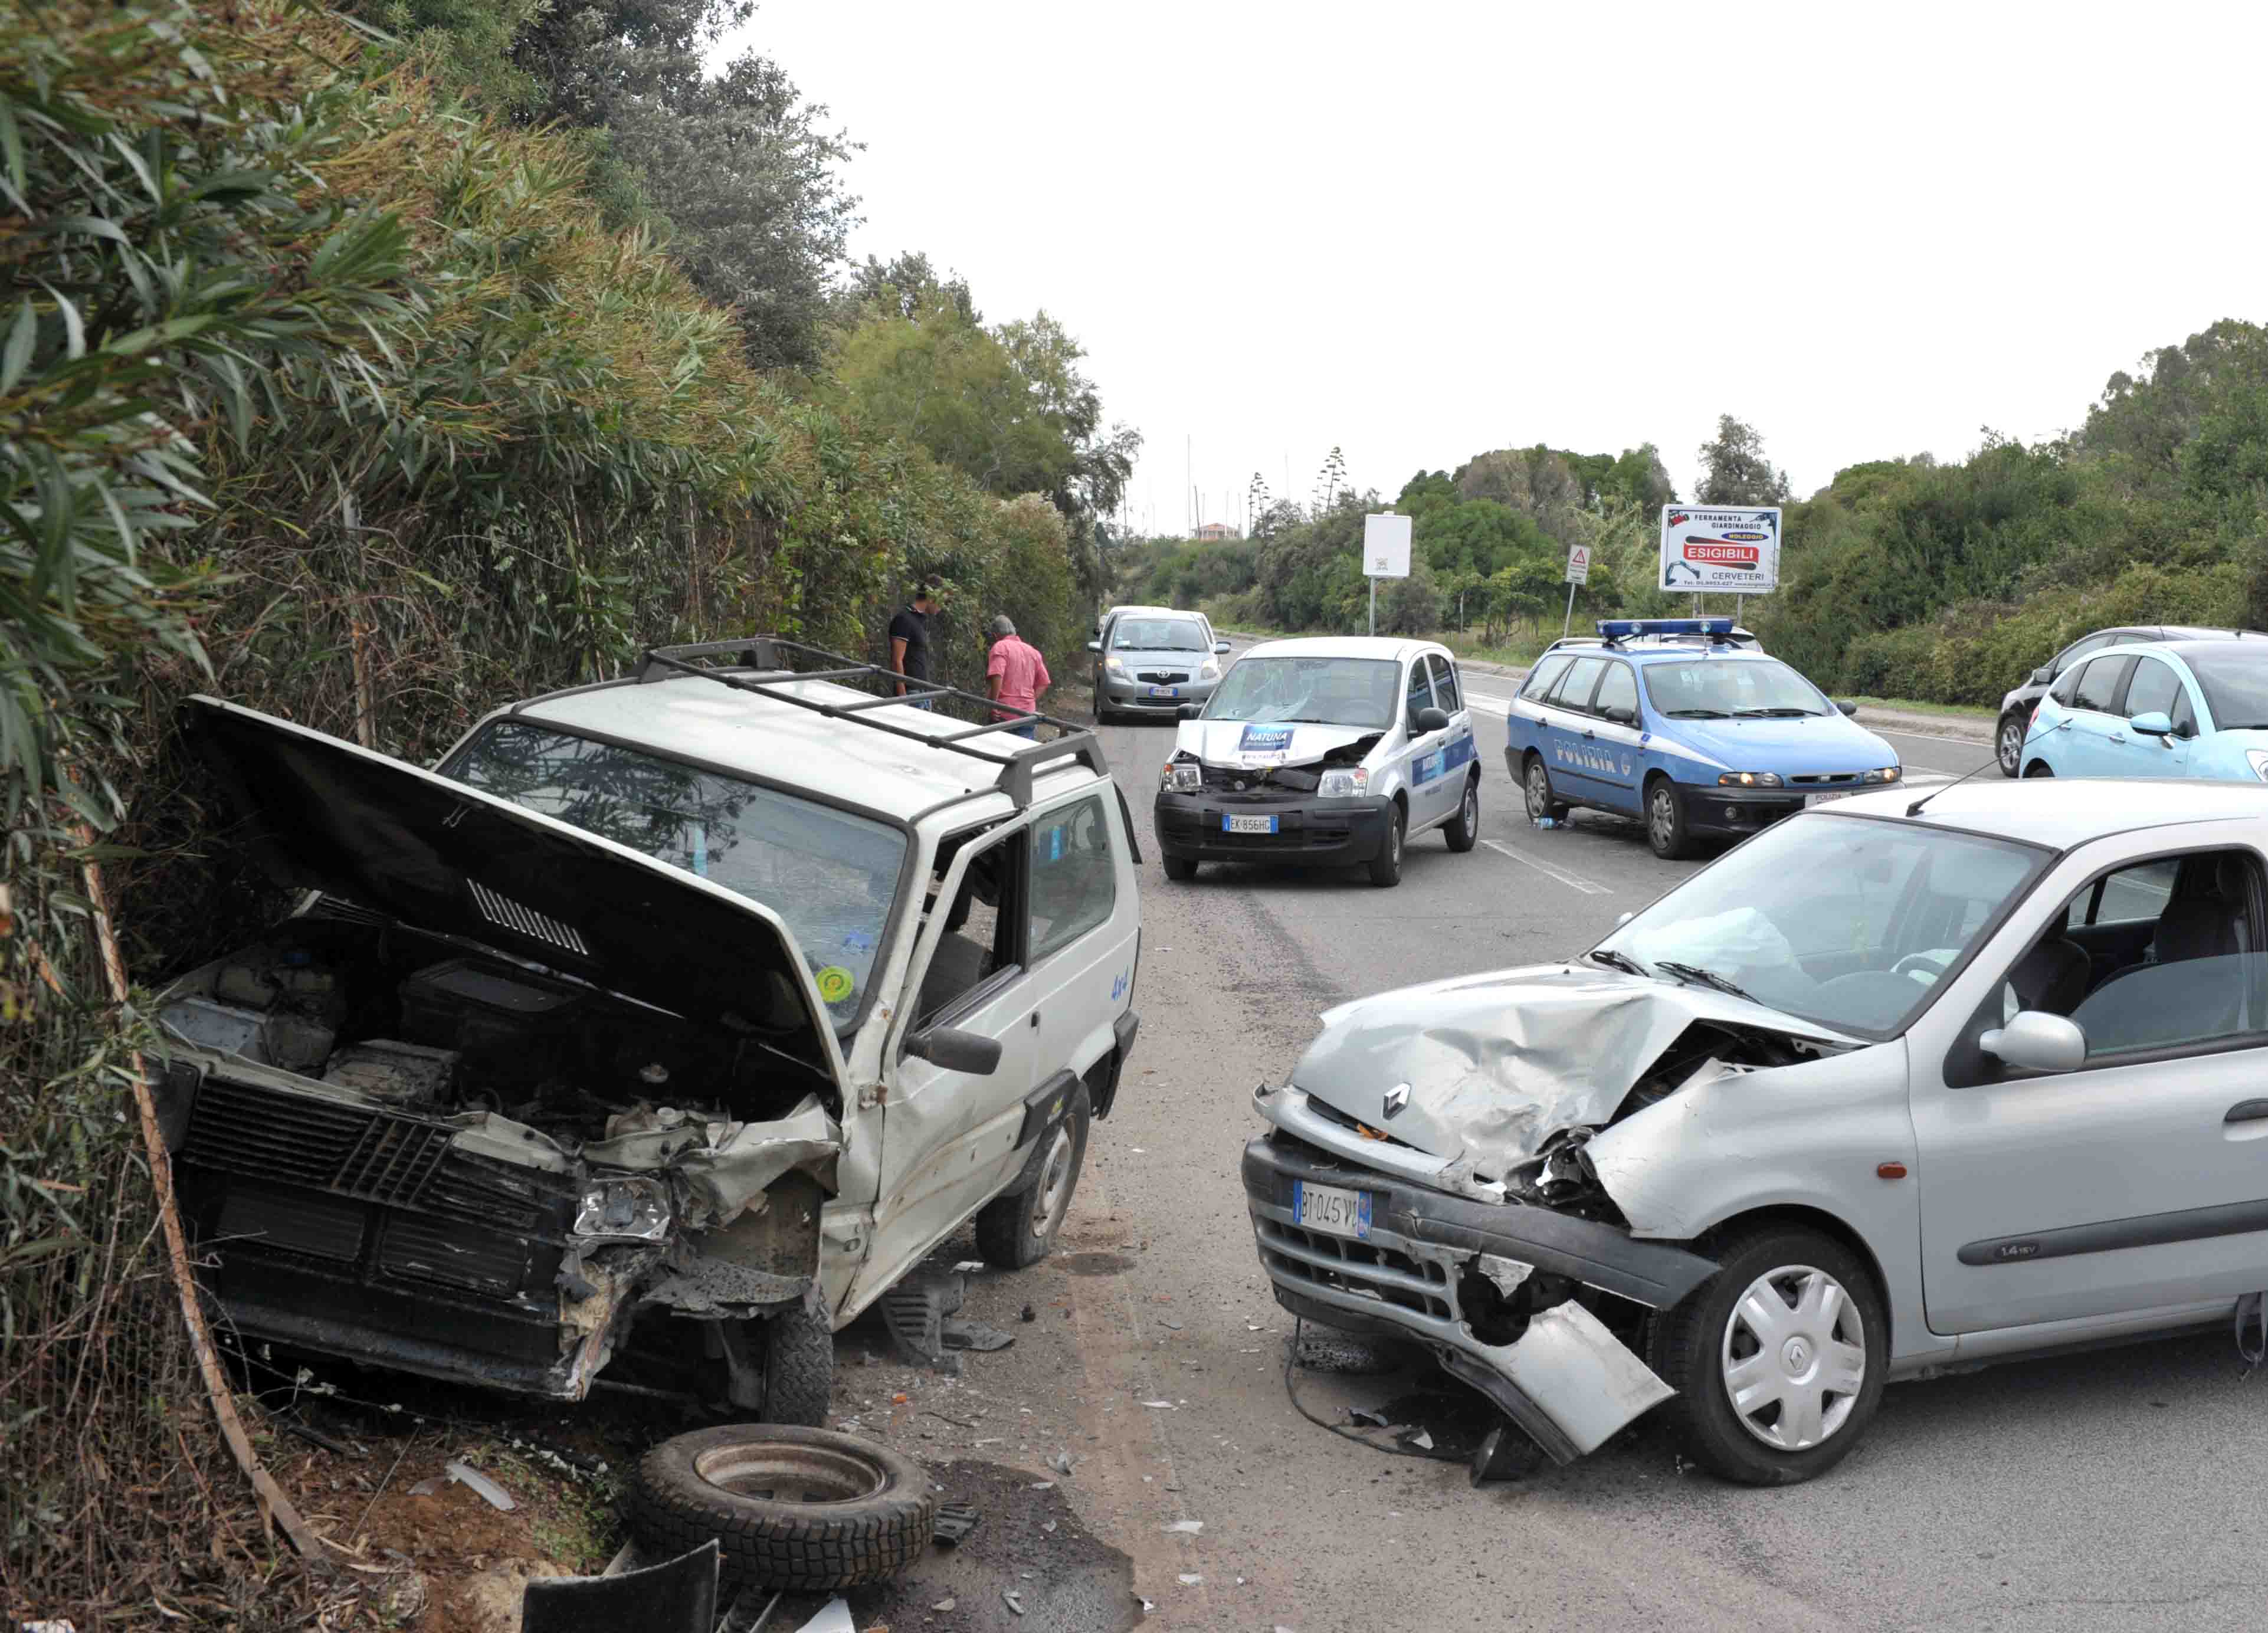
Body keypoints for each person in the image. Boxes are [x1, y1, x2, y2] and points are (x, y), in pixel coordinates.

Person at [985, 615, 1050, 738]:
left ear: (995, 635)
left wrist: (993, 705)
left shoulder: (1000, 647)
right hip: (1027, 716)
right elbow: (1044, 682)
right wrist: (1029, 701)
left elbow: (997, 676)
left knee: (998, 753)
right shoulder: (1033, 651)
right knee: (1023, 754)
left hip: (1003, 715)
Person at [889, 582, 939, 706]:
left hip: (923, 692)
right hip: (911, 692)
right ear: (931, 597)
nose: (942, 607)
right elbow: (897, 660)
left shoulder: (920, 621)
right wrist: (903, 697)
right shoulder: (904, 619)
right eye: (943, 601)